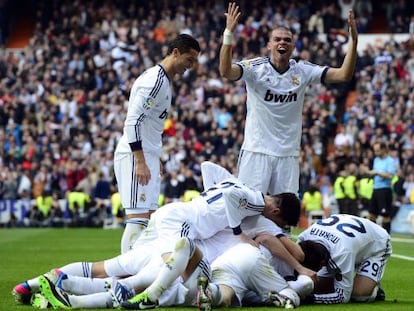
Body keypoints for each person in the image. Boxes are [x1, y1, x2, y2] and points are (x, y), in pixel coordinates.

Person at [219, 2, 358, 196]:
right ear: (269, 45)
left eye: (287, 40)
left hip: (288, 155)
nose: (282, 42)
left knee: (284, 215)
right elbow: (226, 71)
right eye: (277, 39)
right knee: (248, 209)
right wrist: (228, 34)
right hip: (256, 150)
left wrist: (354, 42)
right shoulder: (255, 69)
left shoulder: (303, 70)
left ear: (293, 46)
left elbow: (343, 75)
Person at [114, 34, 201, 253]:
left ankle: (138, 273)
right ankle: (125, 276)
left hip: (147, 155)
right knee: (137, 221)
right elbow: (132, 123)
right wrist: (141, 161)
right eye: (189, 59)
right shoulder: (154, 81)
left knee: (150, 223)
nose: (191, 66)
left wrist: (154, 156)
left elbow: (150, 126)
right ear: (175, 53)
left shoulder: (164, 81)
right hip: (135, 156)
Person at [297, 214, 392, 304]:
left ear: (322, 263)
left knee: (359, 295)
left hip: (376, 243)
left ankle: (375, 290)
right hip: (348, 237)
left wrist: (312, 299)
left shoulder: (342, 252)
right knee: (317, 286)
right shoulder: (303, 237)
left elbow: (342, 296)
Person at [363, 142, 397, 233]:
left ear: (383, 149)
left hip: (384, 190)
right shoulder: (376, 160)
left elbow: (390, 176)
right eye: (375, 151)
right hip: (375, 189)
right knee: (371, 215)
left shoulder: (390, 161)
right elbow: (374, 173)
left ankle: (386, 238)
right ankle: (373, 236)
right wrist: (368, 173)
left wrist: (376, 173)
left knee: (385, 215)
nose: (376, 153)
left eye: (378, 150)